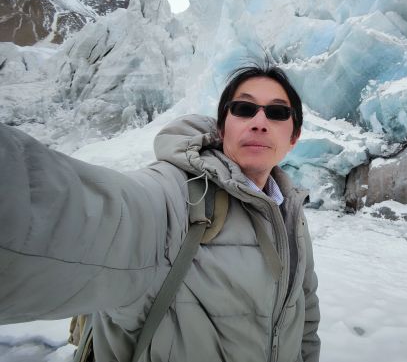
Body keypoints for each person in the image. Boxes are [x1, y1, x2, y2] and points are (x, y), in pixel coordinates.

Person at [0, 62, 321, 362]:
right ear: (222, 129)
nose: (259, 122)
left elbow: (305, 314)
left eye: (277, 112)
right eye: (244, 108)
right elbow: (88, 213)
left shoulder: (290, 213)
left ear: (294, 137)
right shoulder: (178, 196)